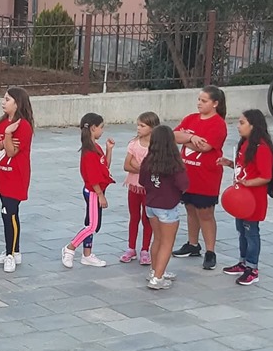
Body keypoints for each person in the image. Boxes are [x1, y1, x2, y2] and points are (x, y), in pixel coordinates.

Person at [171, 86, 228, 270]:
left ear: (215, 103)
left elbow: (205, 147)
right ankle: (193, 244)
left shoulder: (218, 124)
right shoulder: (191, 118)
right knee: (190, 208)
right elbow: (173, 136)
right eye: (199, 100)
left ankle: (210, 251)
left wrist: (187, 139)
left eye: (204, 101)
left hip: (206, 175)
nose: (199, 103)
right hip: (187, 174)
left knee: (205, 213)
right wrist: (192, 137)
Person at [217, 109, 273, 286]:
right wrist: (229, 163)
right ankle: (243, 262)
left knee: (251, 232)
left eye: (242, 123)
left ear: (253, 126)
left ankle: (252, 267)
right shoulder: (245, 144)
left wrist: (248, 183)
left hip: (253, 200)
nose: (238, 126)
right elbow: (244, 167)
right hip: (242, 198)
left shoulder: (262, 148)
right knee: (241, 230)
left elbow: (266, 176)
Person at [139, 125, 189, 290]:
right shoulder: (174, 163)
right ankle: (157, 279)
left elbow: (142, 181)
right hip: (167, 207)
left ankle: (155, 271)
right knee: (167, 243)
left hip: (151, 205)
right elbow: (183, 184)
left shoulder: (148, 160)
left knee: (158, 239)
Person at [62, 112, 115, 268]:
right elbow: (93, 177)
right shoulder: (89, 152)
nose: (102, 130)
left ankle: (87, 254)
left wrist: (109, 150)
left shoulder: (95, 148)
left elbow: (104, 167)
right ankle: (70, 248)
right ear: (93, 128)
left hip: (95, 191)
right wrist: (100, 195)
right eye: (101, 127)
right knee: (92, 226)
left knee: (91, 224)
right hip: (93, 192)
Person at [0, 87, 34, 273]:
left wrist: (8, 134)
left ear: (17, 103)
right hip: (2, 175)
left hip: (16, 177)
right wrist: (4, 140)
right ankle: (14, 251)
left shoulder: (23, 126)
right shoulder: (2, 123)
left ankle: (10, 254)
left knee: (10, 214)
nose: (3, 102)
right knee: (6, 213)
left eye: (7, 99)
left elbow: (11, 152)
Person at [121, 112, 157, 266]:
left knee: (147, 218)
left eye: (142, 125)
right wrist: (143, 170)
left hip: (149, 189)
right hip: (134, 187)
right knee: (134, 217)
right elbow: (126, 165)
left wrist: (138, 167)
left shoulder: (156, 147)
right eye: (138, 125)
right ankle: (131, 248)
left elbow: (155, 168)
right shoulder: (133, 144)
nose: (138, 128)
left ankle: (145, 249)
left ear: (152, 128)